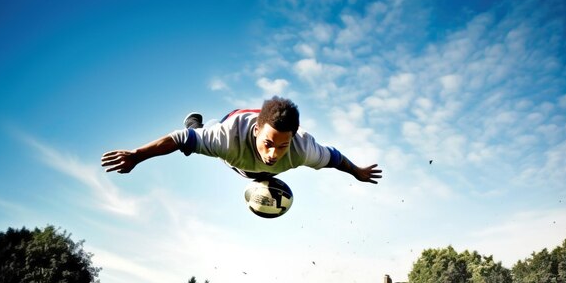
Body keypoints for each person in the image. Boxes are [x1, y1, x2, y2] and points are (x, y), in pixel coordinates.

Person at [101, 96, 382, 184]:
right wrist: (136, 155)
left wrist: (357, 171)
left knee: (272, 163)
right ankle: (196, 124)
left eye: (282, 145)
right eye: (269, 143)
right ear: (258, 132)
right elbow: (176, 139)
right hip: (233, 152)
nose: (273, 153)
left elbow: (334, 158)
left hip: (259, 169)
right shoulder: (226, 137)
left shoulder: (303, 148)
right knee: (194, 141)